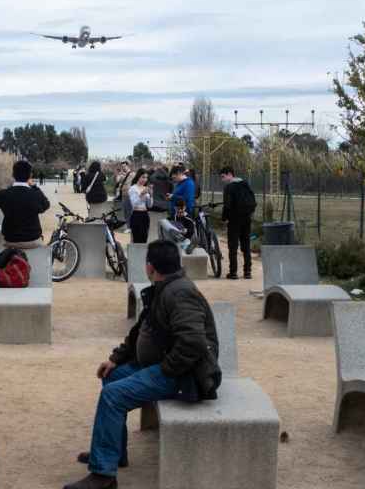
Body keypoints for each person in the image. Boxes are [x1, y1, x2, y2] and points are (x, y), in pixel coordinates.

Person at [62, 240, 221, 489]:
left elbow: (193, 343)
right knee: (111, 378)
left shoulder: (179, 292)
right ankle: (113, 454)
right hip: (163, 365)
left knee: (113, 395)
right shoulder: (164, 287)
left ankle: (103, 476)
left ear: (150, 266)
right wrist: (115, 359)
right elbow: (141, 330)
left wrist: (164, 370)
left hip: (185, 376)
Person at [0, 160, 50, 249]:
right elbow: (46, 205)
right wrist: (35, 187)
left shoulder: (3, 194)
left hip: (11, 239)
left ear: (13, 175)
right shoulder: (35, 194)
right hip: (32, 239)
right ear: (30, 175)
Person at [219, 167, 258, 280]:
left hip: (234, 220)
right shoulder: (245, 184)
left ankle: (233, 272)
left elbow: (227, 205)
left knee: (233, 246)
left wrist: (224, 218)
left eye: (223, 176)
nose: (222, 180)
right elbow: (253, 201)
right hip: (247, 218)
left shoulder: (229, 187)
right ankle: (247, 272)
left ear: (230, 174)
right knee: (246, 245)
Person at [127, 170, 153, 243]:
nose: (145, 179)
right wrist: (141, 194)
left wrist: (151, 195)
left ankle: (143, 254)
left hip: (145, 215)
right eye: (143, 177)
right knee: (136, 239)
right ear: (138, 177)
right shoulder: (133, 188)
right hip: (136, 215)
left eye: (146, 178)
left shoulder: (145, 188)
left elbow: (150, 205)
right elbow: (134, 204)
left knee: (144, 239)